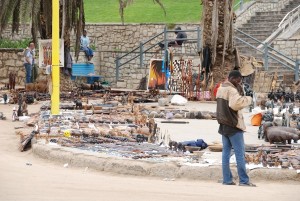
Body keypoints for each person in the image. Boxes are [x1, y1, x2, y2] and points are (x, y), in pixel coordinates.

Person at [216, 70, 256, 187]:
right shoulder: (231, 90)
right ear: (233, 78)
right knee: (240, 154)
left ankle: (227, 180)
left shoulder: (220, 88)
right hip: (233, 125)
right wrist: (248, 99)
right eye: (238, 80)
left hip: (223, 125)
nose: (239, 82)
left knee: (226, 153)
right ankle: (244, 180)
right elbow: (235, 104)